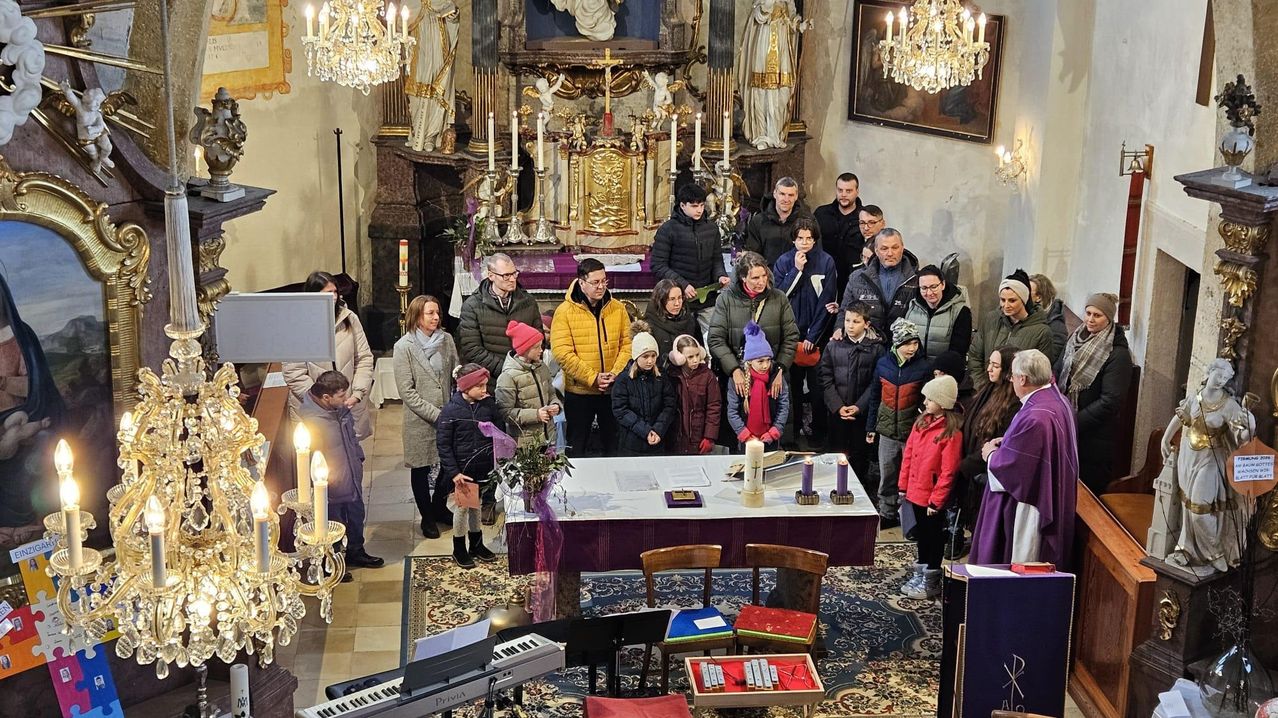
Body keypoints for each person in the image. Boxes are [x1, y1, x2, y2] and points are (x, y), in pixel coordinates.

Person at [970, 349, 1079, 568]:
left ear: (1023, 379)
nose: (1010, 381)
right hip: (1051, 489)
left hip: (1030, 504)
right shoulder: (1057, 400)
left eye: (1012, 376)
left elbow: (1014, 471)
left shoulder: (1036, 417)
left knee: (1021, 565)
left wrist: (990, 454)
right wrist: (1010, 441)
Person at [1159, 359, 1254, 574]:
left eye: (1226, 378)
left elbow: (1241, 436)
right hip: (1189, 456)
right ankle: (1187, 549)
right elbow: (1180, 416)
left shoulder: (1229, 405)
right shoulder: (1196, 396)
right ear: (1209, 372)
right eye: (1218, 375)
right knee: (1187, 505)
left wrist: (1250, 426)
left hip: (1211, 460)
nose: (1221, 380)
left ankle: (1215, 552)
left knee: (1199, 510)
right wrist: (1165, 439)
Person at [707, 251, 800, 444]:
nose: (761, 281)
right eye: (755, 277)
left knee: (773, 437)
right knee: (740, 437)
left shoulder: (778, 298)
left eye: (764, 275)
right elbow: (716, 339)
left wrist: (780, 369)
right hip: (738, 381)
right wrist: (734, 370)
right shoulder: (726, 299)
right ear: (742, 278)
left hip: (772, 376)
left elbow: (791, 337)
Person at [298, 371, 383, 577]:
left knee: (356, 515)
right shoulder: (312, 420)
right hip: (331, 482)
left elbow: (351, 437)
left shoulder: (340, 410)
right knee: (333, 522)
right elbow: (311, 458)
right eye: (341, 396)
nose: (347, 400)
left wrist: (358, 458)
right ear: (326, 397)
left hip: (351, 472)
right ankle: (333, 562)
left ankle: (356, 551)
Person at [392, 294, 459, 539]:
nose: (436, 317)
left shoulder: (446, 340)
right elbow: (406, 391)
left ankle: (439, 506)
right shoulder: (404, 347)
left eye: (437, 313)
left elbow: (455, 371)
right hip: (419, 420)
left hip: (447, 413)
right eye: (430, 313)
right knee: (420, 468)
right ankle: (427, 517)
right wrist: (436, 415)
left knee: (449, 464)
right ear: (417, 316)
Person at [550, 258, 632, 456]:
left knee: (614, 446)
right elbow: (562, 352)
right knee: (577, 447)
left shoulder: (617, 309)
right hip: (580, 392)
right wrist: (592, 377)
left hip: (613, 390)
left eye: (604, 281)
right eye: (595, 282)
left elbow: (627, 345)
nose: (601, 286)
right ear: (581, 283)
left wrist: (615, 373)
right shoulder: (565, 312)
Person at [0, 271, 62, 528]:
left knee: (37, 444)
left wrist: (3, 382)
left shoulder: (20, 336)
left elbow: (34, 386)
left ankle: (29, 524)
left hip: (23, 415)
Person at [1055, 292, 1133, 494]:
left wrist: (1074, 422)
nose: (1090, 319)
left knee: (1085, 492)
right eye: (1088, 313)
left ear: (1109, 318)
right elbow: (1059, 369)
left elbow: (1111, 401)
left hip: (1094, 438)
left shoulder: (1117, 353)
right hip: (1067, 424)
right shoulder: (1075, 338)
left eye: (1097, 315)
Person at [283, 271, 375, 439]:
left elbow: (364, 359)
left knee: (350, 456)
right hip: (315, 407)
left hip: (347, 401)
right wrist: (321, 400)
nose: (333, 297)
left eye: (334, 292)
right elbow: (294, 373)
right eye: (327, 293)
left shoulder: (349, 318)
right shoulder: (297, 326)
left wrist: (357, 393)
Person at [950, 346, 1022, 559]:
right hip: (972, 465)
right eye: (989, 363)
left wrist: (964, 466)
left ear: (1008, 370)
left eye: (996, 365)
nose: (989, 368)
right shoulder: (987, 390)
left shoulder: (1013, 403)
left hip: (985, 473)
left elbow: (998, 441)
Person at [898, 374, 963, 599]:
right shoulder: (921, 423)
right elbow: (909, 455)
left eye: (929, 399)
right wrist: (903, 485)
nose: (924, 403)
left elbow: (948, 471)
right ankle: (921, 572)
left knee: (933, 537)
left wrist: (937, 500)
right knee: (921, 537)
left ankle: (931, 579)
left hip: (932, 498)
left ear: (943, 403)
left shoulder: (951, 433)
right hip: (916, 492)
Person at [772, 218, 837, 439]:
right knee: (793, 389)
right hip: (790, 335)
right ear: (793, 239)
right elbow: (779, 296)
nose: (805, 243)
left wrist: (813, 335)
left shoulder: (826, 261)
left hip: (815, 336)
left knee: (818, 389)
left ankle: (818, 434)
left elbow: (827, 301)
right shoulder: (783, 261)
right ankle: (793, 432)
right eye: (800, 238)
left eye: (809, 238)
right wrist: (796, 270)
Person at [436, 364, 501, 569]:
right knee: (463, 509)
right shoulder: (450, 411)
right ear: (465, 387)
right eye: (480, 386)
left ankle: (476, 544)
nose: (485, 390)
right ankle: (459, 548)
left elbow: (498, 431)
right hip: (463, 470)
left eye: (485, 385)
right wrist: (454, 472)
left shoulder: (488, 405)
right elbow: (444, 444)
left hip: (483, 466)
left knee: (476, 506)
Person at [867, 319, 930, 527]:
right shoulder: (883, 364)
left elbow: (926, 403)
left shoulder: (924, 367)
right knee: (887, 474)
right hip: (886, 431)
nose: (912, 348)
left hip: (912, 432)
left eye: (915, 343)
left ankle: (910, 517)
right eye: (907, 343)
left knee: (912, 476)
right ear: (896, 344)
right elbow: (875, 396)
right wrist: (871, 427)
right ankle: (887, 512)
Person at [819, 303, 884, 495]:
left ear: (866, 324)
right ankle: (833, 486)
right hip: (837, 411)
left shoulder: (876, 350)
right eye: (847, 320)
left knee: (859, 454)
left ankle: (857, 489)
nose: (850, 325)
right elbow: (825, 377)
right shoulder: (833, 346)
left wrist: (859, 406)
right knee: (835, 450)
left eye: (856, 321)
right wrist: (838, 406)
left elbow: (876, 383)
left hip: (861, 413)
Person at [458, 254, 544, 393]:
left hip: (525, 380)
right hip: (491, 383)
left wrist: (522, 368)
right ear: (491, 275)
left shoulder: (528, 302)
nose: (512, 279)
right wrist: (506, 370)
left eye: (514, 274)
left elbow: (539, 339)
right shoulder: (473, 305)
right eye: (506, 275)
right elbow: (471, 348)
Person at [650, 184, 729, 331]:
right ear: (682, 205)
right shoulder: (668, 229)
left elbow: (716, 259)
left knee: (713, 339)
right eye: (694, 206)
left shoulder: (711, 229)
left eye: (701, 205)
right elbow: (658, 265)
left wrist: (720, 276)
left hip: (707, 298)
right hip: (678, 300)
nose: (699, 210)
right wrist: (682, 285)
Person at [965, 270, 1059, 391]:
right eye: (1002, 300)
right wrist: (982, 386)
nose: (1006, 305)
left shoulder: (1042, 332)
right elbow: (975, 355)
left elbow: (1038, 373)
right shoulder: (991, 319)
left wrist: (1014, 394)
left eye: (1012, 300)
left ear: (1024, 299)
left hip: (1016, 396)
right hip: (985, 389)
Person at [736, 0, 808, 149]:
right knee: (761, 93)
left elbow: (791, 22)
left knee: (783, 93)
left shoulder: (788, 1)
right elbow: (758, 16)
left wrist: (800, 26)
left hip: (782, 52)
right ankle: (760, 135)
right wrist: (767, 6)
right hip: (764, 47)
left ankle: (775, 134)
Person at [611, 322, 677, 456]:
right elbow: (621, 410)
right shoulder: (624, 380)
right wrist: (645, 431)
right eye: (645, 356)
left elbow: (669, 405)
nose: (650, 361)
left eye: (653, 356)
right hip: (631, 443)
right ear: (636, 357)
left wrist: (658, 429)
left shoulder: (661, 377)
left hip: (657, 440)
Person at [839, 228, 919, 338]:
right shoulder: (857, 278)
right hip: (867, 344)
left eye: (895, 248)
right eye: (884, 248)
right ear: (876, 251)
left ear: (902, 248)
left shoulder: (916, 279)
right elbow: (845, 310)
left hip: (902, 344)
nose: (890, 253)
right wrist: (839, 329)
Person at [495, 320, 561, 449]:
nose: (541, 350)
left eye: (541, 346)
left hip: (548, 437)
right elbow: (505, 412)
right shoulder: (508, 376)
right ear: (524, 349)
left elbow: (552, 393)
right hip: (525, 443)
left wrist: (555, 405)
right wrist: (536, 415)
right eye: (536, 347)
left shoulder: (542, 368)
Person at [405, 0, 460, 152]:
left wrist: (452, 15)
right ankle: (417, 133)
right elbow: (401, 21)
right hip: (418, 45)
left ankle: (431, 136)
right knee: (416, 91)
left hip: (437, 44)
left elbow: (452, 16)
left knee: (436, 88)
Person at [726, 321, 791, 450]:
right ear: (749, 361)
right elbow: (732, 411)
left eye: (768, 360)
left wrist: (774, 431)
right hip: (746, 440)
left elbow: (783, 406)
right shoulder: (738, 380)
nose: (765, 365)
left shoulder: (776, 377)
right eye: (760, 361)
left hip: (770, 439)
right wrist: (745, 435)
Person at [813, 173, 866, 298]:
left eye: (848, 191)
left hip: (852, 280)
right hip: (823, 276)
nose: (843, 194)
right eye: (840, 190)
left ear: (857, 191)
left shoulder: (864, 218)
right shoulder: (821, 214)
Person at [667, 334, 721, 455]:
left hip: (698, 436)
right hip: (675, 438)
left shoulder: (707, 376)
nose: (696, 360)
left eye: (697, 355)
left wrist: (709, 436)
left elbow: (714, 407)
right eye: (690, 357)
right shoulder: (670, 376)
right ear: (679, 357)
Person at [904, 265, 972, 362]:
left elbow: (959, 350)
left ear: (943, 284)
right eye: (924, 288)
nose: (929, 293)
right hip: (916, 370)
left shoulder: (960, 311)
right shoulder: (911, 306)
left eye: (933, 287)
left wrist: (941, 371)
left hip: (944, 371)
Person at [744, 178, 816, 266]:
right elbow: (753, 255)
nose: (786, 199)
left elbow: (816, 253)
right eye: (782, 194)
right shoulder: (758, 221)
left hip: (799, 274)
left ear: (796, 196)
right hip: (767, 276)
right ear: (775, 194)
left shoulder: (808, 221)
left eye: (790, 195)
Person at [644, 279, 701, 369]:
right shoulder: (649, 326)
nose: (677, 303)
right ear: (661, 301)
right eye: (672, 299)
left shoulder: (691, 321)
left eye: (680, 298)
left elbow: (700, 353)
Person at [1030, 273, 1068, 360]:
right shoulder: (1028, 315)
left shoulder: (1056, 325)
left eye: (1027, 291)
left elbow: (1050, 358)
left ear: (1038, 297)